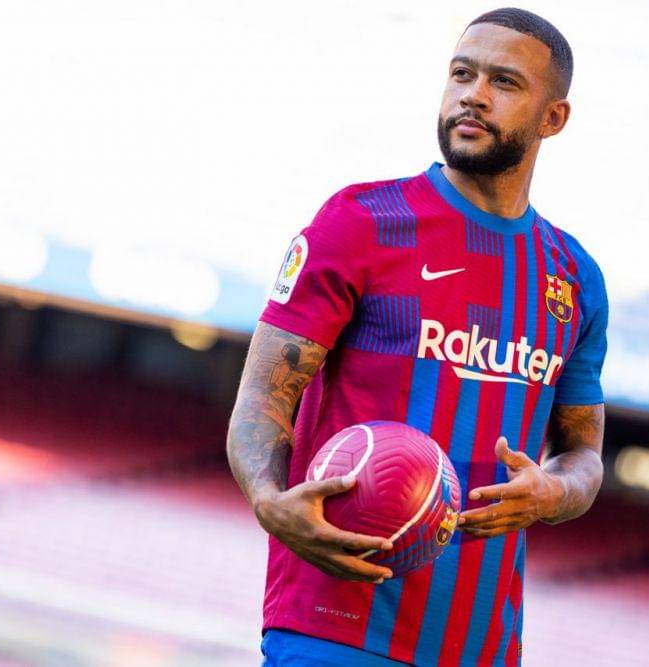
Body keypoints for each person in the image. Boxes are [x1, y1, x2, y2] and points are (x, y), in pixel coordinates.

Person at [227, 7, 607, 666]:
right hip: (332, 629)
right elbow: (263, 398)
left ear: (554, 118)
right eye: (462, 74)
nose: (473, 95)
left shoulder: (574, 279)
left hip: (480, 647)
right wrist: (268, 500)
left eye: (504, 82)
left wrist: (554, 491)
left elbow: (583, 455)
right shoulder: (361, 222)